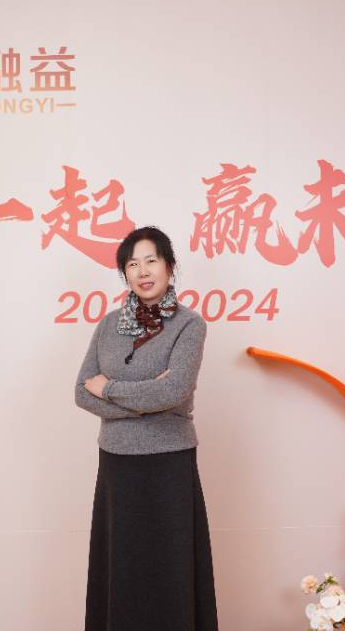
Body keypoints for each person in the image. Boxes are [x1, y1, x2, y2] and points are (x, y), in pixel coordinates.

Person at [75, 226, 219, 631]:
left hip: (169, 465)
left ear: (169, 266)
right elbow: (81, 393)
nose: (142, 271)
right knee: (122, 569)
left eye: (151, 260)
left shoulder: (189, 325)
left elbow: (173, 391)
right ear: (125, 273)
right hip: (117, 466)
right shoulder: (107, 326)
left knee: (170, 570)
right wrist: (148, 401)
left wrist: (110, 389)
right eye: (132, 264)